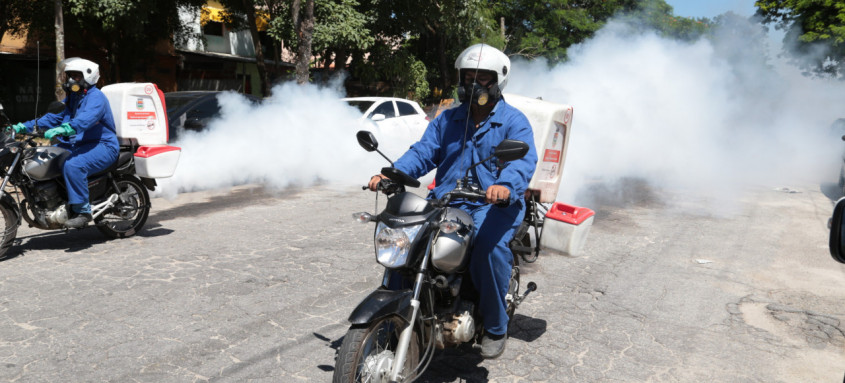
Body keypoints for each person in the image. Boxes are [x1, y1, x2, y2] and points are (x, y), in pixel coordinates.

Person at [367, 43, 538, 359]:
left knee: (488, 248)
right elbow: (424, 151)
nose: (474, 83)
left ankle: (496, 326)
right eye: (468, 75)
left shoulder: (515, 121)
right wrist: (394, 173)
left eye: (482, 77)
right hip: (447, 200)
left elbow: (522, 163)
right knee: (410, 243)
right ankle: (399, 313)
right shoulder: (447, 120)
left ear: (497, 80)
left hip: (494, 205)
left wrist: (504, 185)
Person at [10, 57, 119, 228]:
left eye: (75, 76)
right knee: (43, 158)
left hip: (103, 145)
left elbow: (86, 119)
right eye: (69, 76)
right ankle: (57, 202)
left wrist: (64, 129)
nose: (70, 80)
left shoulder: (96, 97)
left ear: (88, 76)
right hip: (76, 145)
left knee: (73, 165)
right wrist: (23, 127)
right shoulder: (73, 98)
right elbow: (52, 118)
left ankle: (83, 211)